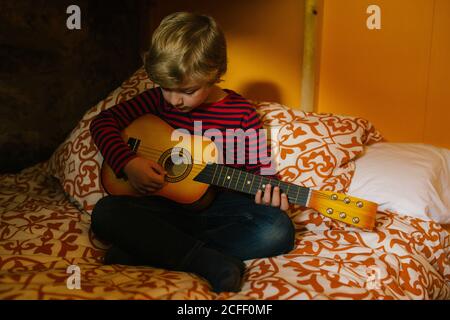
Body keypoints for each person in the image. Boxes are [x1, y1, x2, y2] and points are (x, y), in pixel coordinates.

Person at [89, 12, 295, 293]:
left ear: (215, 73)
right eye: (166, 88)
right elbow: (103, 123)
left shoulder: (242, 113)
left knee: (277, 230)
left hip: (218, 210)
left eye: (188, 90)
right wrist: (129, 162)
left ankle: (150, 250)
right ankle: (208, 261)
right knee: (105, 212)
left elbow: (259, 172)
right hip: (162, 208)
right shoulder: (154, 102)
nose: (174, 100)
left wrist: (270, 197)